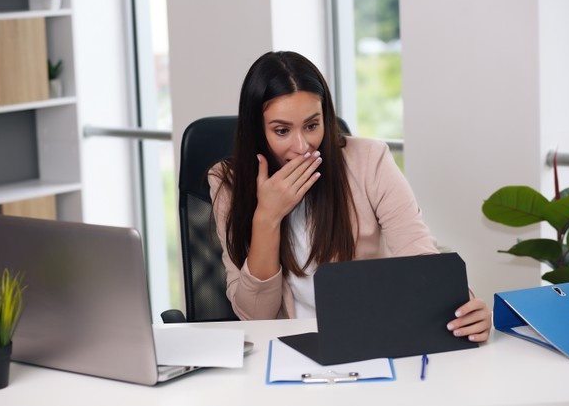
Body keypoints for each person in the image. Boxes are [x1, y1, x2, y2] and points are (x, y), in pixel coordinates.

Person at [208, 51, 491, 342]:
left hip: (366, 339)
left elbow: (418, 256)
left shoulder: (369, 160)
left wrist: (464, 309)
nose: (302, 146)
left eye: (311, 125)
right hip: (283, 349)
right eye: (282, 130)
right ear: (256, 130)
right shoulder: (228, 182)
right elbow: (256, 318)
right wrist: (267, 217)